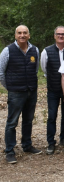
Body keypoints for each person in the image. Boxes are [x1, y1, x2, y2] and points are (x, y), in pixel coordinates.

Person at [0, 25, 42, 164]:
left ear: (29, 35)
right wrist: (10, 88)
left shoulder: (34, 50)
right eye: (19, 33)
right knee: (12, 122)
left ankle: (27, 145)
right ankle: (10, 151)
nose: (22, 35)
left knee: (28, 120)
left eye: (25, 33)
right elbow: (1, 72)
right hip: (16, 92)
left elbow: (35, 70)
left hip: (31, 91)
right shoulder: (8, 51)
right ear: (15, 35)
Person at [40, 26, 64, 155]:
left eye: (63, 34)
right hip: (53, 90)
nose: (61, 36)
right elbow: (44, 69)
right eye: (58, 34)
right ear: (54, 36)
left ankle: (63, 138)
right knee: (52, 116)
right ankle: (50, 142)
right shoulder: (46, 51)